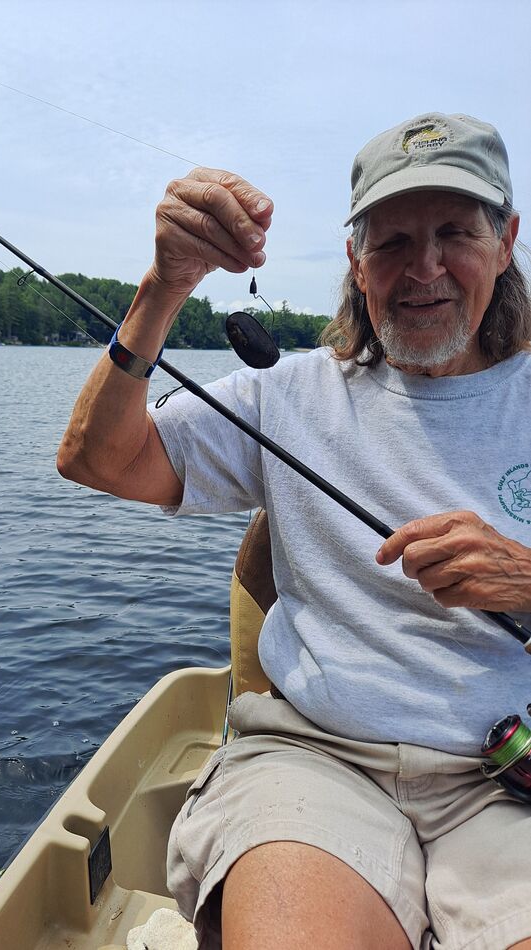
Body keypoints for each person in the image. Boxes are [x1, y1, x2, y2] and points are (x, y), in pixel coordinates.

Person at [58, 113, 531, 950]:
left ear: (505, 240)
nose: (423, 268)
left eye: (453, 232)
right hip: (315, 762)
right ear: (355, 260)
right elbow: (98, 461)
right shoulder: (289, 395)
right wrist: (163, 287)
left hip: (508, 777)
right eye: (389, 242)